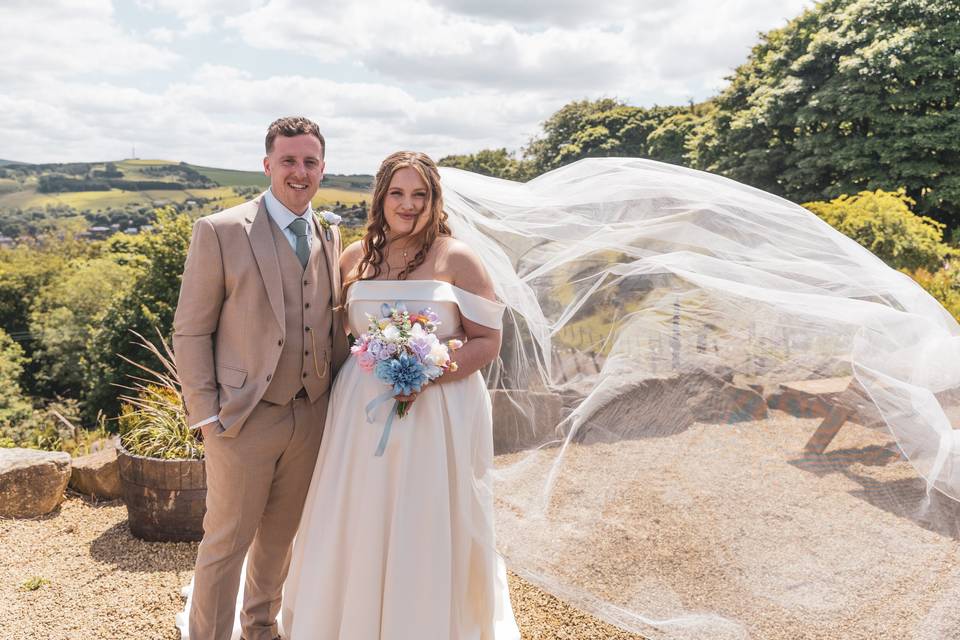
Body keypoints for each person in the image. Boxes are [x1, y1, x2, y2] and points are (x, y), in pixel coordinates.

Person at [280, 151, 521, 639]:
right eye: (398, 193)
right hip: (360, 411)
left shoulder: (457, 258)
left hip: (438, 408)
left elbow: (487, 341)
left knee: (423, 513)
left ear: (434, 200)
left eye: (420, 194)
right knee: (358, 510)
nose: (408, 205)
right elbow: (340, 337)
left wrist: (426, 369)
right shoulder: (354, 256)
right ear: (380, 197)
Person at [173, 116, 348, 640]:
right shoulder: (221, 231)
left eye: (310, 161)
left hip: (311, 413)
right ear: (267, 164)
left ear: (322, 168)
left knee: (279, 540)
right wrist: (205, 413)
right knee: (225, 543)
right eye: (288, 160)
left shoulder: (330, 232)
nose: (299, 171)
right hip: (241, 418)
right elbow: (190, 329)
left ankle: (261, 630)